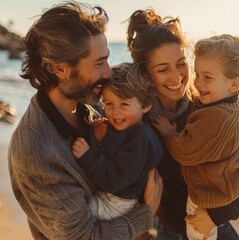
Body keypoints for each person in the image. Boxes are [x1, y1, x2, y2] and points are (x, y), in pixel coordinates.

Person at [8, 2, 162, 240]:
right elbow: (84, 236)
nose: (108, 72)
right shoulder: (36, 152)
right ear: (60, 70)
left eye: (107, 60)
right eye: (99, 63)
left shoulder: (89, 104)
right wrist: (147, 213)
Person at [126, 8, 239, 240]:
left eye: (181, 63)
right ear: (145, 73)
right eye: (163, 69)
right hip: (169, 230)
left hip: (220, 225)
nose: (177, 77)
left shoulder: (209, 108)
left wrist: (218, 215)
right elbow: (131, 193)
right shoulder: (136, 123)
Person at [153, 34, 239, 240]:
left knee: (198, 233)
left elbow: (186, 151)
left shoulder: (213, 116)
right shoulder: (236, 105)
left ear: (234, 84)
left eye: (207, 77)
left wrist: (169, 134)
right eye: (198, 74)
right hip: (231, 189)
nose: (198, 83)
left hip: (207, 197)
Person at [71, 62, 163, 224]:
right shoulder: (125, 129)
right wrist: (97, 137)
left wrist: (88, 157)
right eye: (109, 103)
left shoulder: (139, 139)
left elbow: (115, 180)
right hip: (111, 196)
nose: (115, 111)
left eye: (125, 104)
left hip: (116, 203)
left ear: (146, 105)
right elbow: (111, 153)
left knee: (72, 214)